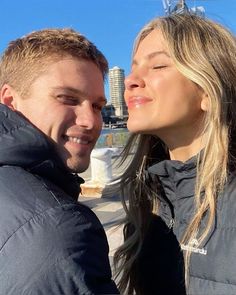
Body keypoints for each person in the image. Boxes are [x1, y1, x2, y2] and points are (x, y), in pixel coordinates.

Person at [113, 13, 236, 295]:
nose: (131, 80)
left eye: (157, 66)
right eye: (133, 69)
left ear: (208, 90)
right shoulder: (148, 205)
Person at [0, 28, 119, 294]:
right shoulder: (60, 228)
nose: (90, 121)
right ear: (10, 100)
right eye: (67, 99)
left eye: (98, 106)